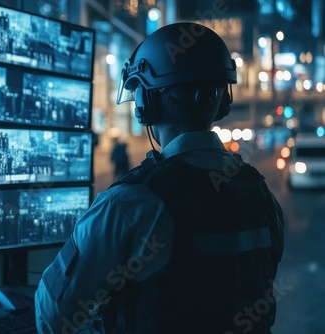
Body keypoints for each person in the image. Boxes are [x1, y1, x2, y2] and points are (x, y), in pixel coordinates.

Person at [35, 22, 284, 334]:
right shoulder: (261, 194)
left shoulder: (128, 204)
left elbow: (52, 314)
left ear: (146, 104)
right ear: (223, 102)